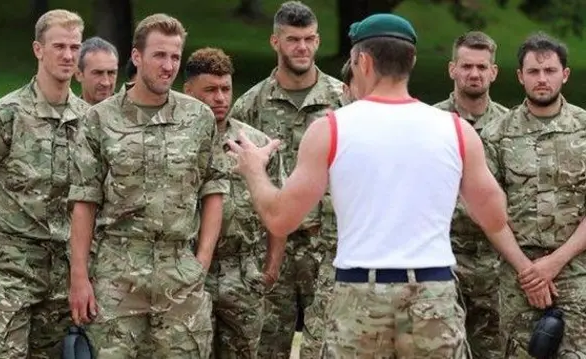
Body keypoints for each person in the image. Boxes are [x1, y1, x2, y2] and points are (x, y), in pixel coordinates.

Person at [226, 13, 552, 357]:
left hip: (360, 294)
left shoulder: (330, 129)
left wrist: (253, 169)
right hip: (432, 293)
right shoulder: (456, 131)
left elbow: (280, 218)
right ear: (411, 61)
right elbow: (494, 216)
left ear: (362, 62)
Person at [67, 14, 228, 358]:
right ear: (136, 57)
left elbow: (213, 189)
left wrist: (201, 261)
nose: (168, 66)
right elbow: (84, 199)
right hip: (117, 274)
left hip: (180, 274)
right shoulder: (99, 120)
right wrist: (79, 277)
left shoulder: (198, 118)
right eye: (159, 55)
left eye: (174, 56)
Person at [0, 9, 89, 358]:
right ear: (38, 49)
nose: (67, 55)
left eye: (74, 47)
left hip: (60, 270)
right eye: (58, 45)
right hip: (9, 266)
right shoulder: (5, 114)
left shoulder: (88, 120)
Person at [229, 2, 344, 356]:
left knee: (330, 347)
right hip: (270, 246)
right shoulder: (249, 107)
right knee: (264, 346)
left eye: (309, 39)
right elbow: (238, 180)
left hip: (329, 245)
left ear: (318, 41)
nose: (302, 48)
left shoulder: (343, 102)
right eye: (293, 39)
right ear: (275, 42)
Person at [482, 31, 586, 357]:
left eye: (550, 71)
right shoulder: (496, 134)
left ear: (564, 75)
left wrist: (553, 264)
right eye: (533, 71)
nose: (542, 79)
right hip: (518, 277)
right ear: (520, 76)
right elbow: (487, 211)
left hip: (575, 274)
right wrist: (529, 272)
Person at [183, 47, 286, 359]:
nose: (220, 98)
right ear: (188, 91)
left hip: (241, 272)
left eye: (226, 89)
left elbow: (278, 207)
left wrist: (271, 266)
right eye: (210, 90)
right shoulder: (176, 141)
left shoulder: (253, 144)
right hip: (189, 270)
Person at [433, 31, 508, 359]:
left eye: (482, 66)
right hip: (441, 259)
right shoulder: (429, 123)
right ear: (452, 69)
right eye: (466, 66)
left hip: (494, 262)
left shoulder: (510, 126)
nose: (474, 74)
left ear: (494, 72)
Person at [299, 59, 360, 358]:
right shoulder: (327, 137)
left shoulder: (404, 136)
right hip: (334, 265)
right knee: (319, 347)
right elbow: (305, 212)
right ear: (346, 90)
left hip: (389, 274)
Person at [75, 36, 118, 105]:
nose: (106, 83)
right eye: (98, 73)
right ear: (79, 74)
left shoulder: (134, 113)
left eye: (111, 73)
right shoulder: (63, 114)